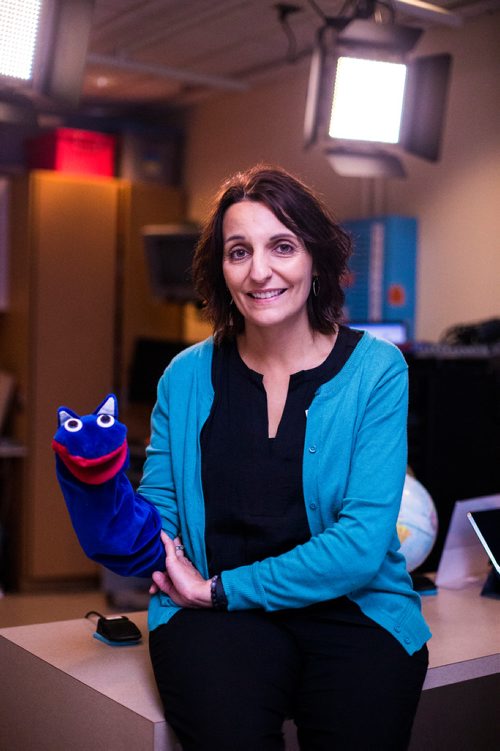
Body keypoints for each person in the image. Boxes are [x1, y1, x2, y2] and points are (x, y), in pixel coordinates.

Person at [54, 165, 430, 751]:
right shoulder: (184, 376)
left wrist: (219, 587)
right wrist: (101, 498)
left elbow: (360, 545)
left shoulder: (377, 371)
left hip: (350, 610)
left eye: (282, 246)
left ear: (316, 258)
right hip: (217, 621)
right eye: (238, 251)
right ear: (220, 270)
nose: (260, 271)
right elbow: (162, 509)